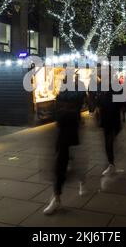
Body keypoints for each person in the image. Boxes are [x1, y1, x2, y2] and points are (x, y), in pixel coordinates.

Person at [44, 75, 86, 215]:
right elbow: (60, 107)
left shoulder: (76, 92)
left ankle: (80, 180)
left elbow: (76, 100)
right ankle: (57, 198)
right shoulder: (66, 93)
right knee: (60, 164)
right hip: (62, 132)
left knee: (71, 161)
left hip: (72, 130)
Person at [97, 70, 126, 176]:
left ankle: (111, 164)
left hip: (114, 119)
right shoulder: (101, 87)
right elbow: (100, 102)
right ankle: (111, 164)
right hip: (105, 119)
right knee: (108, 141)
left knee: (109, 141)